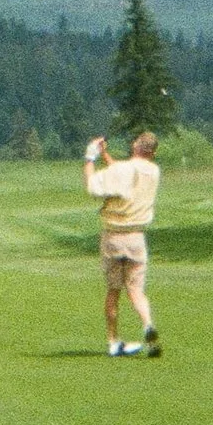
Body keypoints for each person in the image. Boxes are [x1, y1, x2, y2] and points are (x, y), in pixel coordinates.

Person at [84, 131, 161, 357]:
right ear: (152, 153)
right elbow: (124, 171)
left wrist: (91, 156)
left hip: (114, 237)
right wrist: (106, 155)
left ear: (135, 145)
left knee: (113, 290)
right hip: (137, 237)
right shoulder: (154, 171)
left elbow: (93, 185)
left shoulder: (123, 170)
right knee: (136, 289)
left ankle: (113, 341)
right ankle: (147, 324)